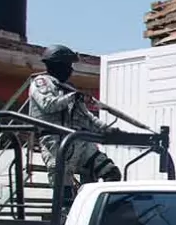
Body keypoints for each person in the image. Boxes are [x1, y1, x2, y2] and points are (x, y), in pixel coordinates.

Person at [28, 44, 122, 203]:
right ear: (58, 66)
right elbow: (48, 105)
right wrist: (72, 97)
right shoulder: (41, 83)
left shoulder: (69, 89)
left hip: (79, 141)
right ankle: (66, 218)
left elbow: (87, 117)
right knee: (64, 192)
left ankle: (101, 208)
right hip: (56, 143)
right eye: (68, 66)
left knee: (111, 172)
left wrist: (108, 130)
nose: (71, 70)